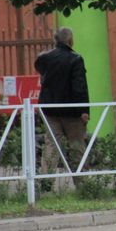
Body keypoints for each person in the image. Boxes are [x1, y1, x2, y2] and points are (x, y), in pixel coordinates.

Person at [35, 27, 90, 174]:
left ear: (55, 40)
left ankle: (45, 181)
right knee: (77, 146)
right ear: (70, 40)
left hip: (50, 110)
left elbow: (39, 65)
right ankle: (82, 182)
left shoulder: (45, 59)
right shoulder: (76, 59)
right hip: (71, 112)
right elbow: (80, 86)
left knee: (51, 145)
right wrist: (84, 110)